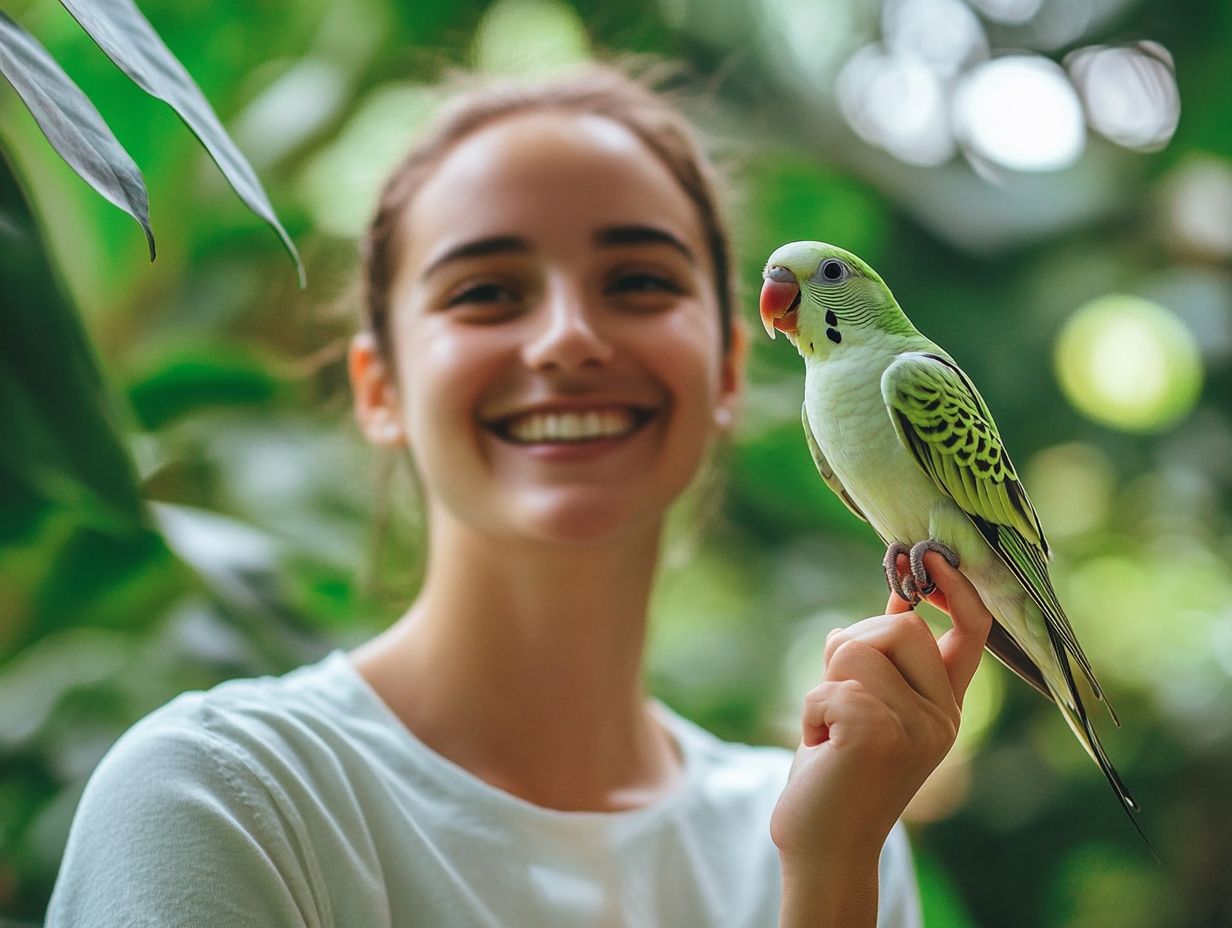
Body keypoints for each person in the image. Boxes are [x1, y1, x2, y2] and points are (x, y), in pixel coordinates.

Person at [46, 63, 993, 927]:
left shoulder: (840, 818)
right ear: (380, 389)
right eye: (487, 292)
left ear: (729, 369)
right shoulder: (217, 796)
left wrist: (829, 871)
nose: (568, 339)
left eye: (636, 280)